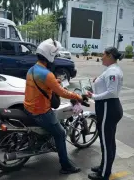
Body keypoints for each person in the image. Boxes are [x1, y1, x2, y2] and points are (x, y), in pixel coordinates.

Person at [23, 38, 84, 174]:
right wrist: (77, 96)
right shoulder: (47, 74)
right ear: (49, 56)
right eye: (55, 56)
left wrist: (54, 82)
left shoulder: (32, 69)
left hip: (28, 108)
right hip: (41, 112)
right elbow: (62, 92)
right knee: (61, 133)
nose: (55, 58)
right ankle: (66, 166)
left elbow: (43, 85)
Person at [86, 47, 124, 180]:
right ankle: (103, 166)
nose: (101, 57)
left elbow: (112, 92)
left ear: (110, 56)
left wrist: (94, 96)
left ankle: (104, 174)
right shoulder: (111, 70)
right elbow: (107, 87)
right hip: (108, 107)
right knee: (106, 141)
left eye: (103, 55)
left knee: (107, 143)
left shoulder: (112, 71)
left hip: (108, 107)